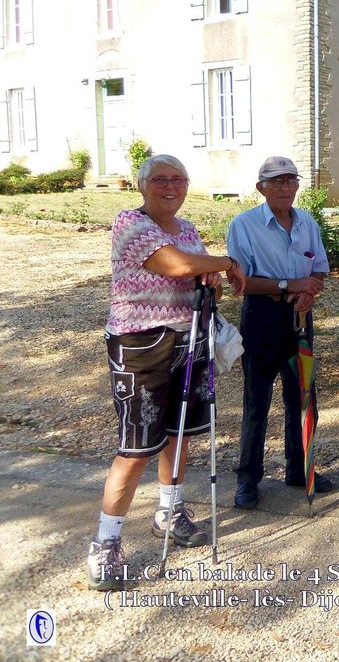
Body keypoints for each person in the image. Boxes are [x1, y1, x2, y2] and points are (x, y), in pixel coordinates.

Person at [87, 154, 247, 591]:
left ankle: (169, 510)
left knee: (180, 434)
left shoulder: (189, 229)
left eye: (178, 179)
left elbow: (193, 273)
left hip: (188, 340)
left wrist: (210, 276)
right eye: (160, 179)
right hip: (140, 344)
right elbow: (177, 266)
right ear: (143, 186)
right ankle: (106, 541)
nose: (170, 186)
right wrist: (226, 264)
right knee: (137, 447)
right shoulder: (130, 224)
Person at [227, 157, 332, 509]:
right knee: (257, 402)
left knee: (303, 398)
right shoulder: (244, 225)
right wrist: (291, 285)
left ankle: (300, 470)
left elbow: (319, 272)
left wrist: (308, 290)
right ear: (262, 187)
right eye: (277, 181)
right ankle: (247, 479)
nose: (286, 187)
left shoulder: (308, 223)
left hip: (300, 319)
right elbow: (242, 283)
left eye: (291, 180)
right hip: (262, 317)